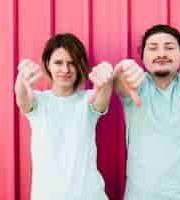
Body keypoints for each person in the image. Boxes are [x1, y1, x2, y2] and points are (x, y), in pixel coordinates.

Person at [114, 24, 180, 200]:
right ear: (143, 57)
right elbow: (120, 80)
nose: (161, 54)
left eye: (169, 47)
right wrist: (122, 68)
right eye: (153, 48)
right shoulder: (136, 87)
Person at [14, 33, 112, 200]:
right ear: (47, 64)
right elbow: (22, 97)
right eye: (58, 63)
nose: (65, 70)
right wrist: (22, 79)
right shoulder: (38, 101)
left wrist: (107, 79)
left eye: (72, 63)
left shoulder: (89, 99)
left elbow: (103, 97)